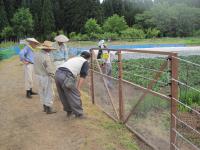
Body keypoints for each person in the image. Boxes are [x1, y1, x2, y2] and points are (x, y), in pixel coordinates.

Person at [55, 51, 91, 118]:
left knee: (63, 95)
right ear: (88, 58)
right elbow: (82, 76)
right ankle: (79, 114)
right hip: (66, 76)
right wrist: (78, 88)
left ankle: (69, 111)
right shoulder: (85, 62)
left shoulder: (74, 58)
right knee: (74, 94)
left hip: (57, 74)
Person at [34, 41, 56, 114]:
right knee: (49, 92)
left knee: (41, 91)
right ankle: (49, 108)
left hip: (37, 75)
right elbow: (48, 68)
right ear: (47, 49)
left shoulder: (37, 54)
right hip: (45, 76)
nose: (51, 50)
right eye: (50, 48)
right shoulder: (46, 56)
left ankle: (44, 106)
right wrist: (53, 75)